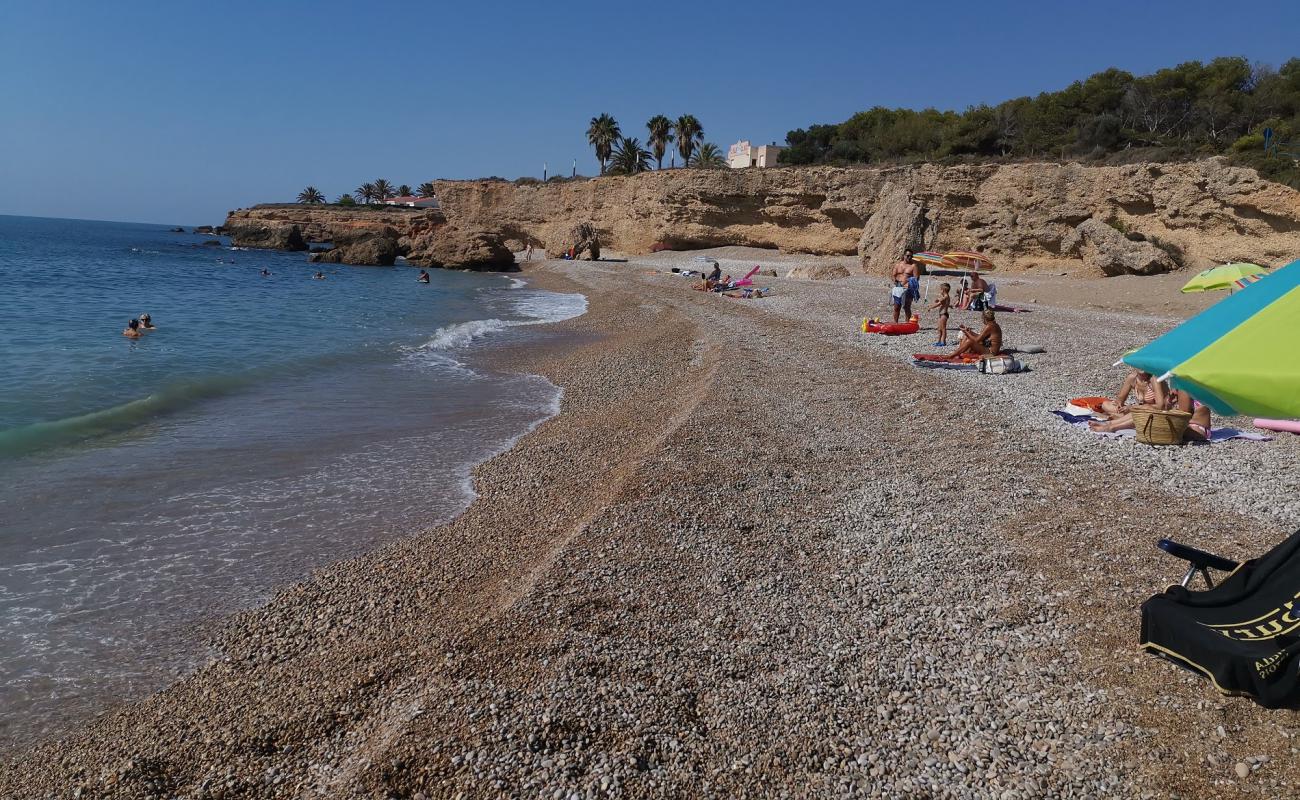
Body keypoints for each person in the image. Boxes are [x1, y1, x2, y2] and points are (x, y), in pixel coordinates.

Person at [890, 249, 920, 323]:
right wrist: (895, 282)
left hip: (908, 288)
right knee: (897, 307)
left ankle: (907, 323)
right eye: (908, 256)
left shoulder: (913, 266)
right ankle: (895, 323)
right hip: (898, 287)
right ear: (904, 256)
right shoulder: (898, 265)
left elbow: (916, 278)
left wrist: (908, 281)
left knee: (906, 307)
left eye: (911, 256)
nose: (909, 257)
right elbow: (893, 275)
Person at [928, 283, 952, 347]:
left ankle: (943, 341)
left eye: (940, 289)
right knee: (939, 328)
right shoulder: (945, 297)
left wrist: (931, 307)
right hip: (941, 314)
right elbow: (943, 303)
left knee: (943, 328)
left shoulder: (946, 297)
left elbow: (938, 304)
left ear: (943, 290)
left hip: (944, 315)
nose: (940, 291)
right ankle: (939, 341)